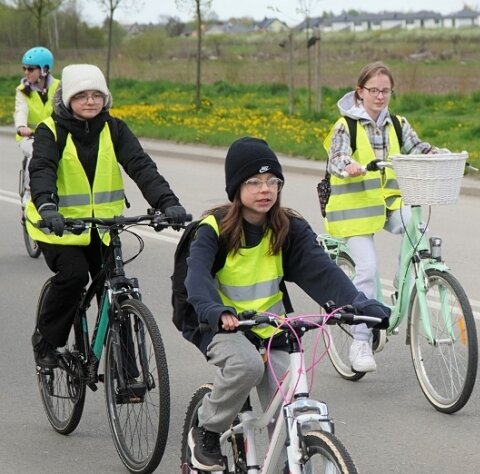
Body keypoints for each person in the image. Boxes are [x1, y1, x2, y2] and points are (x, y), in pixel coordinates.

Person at [182, 137, 390, 472]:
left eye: (272, 182)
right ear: (235, 187)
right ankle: (206, 431)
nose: (265, 189)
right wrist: (216, 311)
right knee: (247, 366)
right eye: (253, 182)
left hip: (270, 326)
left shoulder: (287, 228)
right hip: (218, 322)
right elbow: (197, 279)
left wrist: (360, 305)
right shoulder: (213, 229)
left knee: (288, 408)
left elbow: (323, 273)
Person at [26, 64, 188, 369]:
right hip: (59, 228)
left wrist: (168, 203)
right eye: (82, 95)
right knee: (73, 276)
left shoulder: (115, 129)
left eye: (97, 95)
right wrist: (47, 207)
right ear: (66, 99)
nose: (90, 101)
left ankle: (127, 370)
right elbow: (43, 169)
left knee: (113, 285)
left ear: (106, 98)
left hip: (102, 228)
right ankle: (46, 342)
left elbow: (141, 167)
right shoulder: (51, 130)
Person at [323, 61, 449, 373]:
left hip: (388, 204)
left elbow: (417, 147)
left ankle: (411, 274)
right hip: (356, 212)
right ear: (360, 92)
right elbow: (337, 156)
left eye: (385, 90)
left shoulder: (397, 122)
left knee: (415, 223)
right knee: (367, 270)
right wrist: (347, 165)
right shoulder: (345, 125)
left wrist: (440, 155)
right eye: (373, 90)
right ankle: (361, 342)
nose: (380, 96)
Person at [15, 46, 59, 207]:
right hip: (29, 137)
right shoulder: (23, 90)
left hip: (54, 135)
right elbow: (21, 109)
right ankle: (28, 192)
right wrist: (21, 126)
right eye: (24, 68)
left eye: (31, 69)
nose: (26, 72)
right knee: (37, 151)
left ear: (44, 69)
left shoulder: (59, 88)